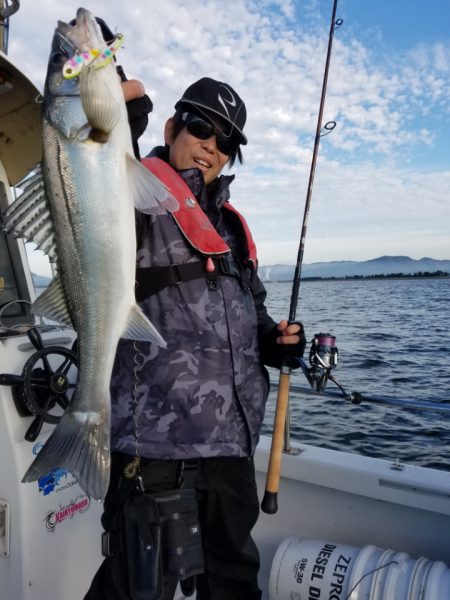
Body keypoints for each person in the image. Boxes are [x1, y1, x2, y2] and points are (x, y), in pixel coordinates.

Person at [83, 24, 306, 600]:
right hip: (156, 448)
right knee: (137, 587)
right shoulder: (138, 196)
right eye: (201, 128)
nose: (211, 146)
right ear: (171, 128)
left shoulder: (230, 226)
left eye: (225, 140)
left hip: (230, 447)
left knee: (233, 584)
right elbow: (96, 182)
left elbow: (251, 311)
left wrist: (273, 342)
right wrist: (107, 100)